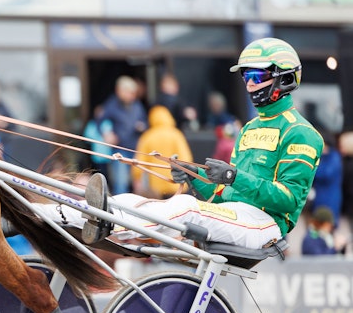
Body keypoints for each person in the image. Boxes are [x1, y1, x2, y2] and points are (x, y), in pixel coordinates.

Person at [57, 38, 323, 251]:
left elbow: (289, 200)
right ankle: (59, 215)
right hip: (235, 214)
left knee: (185, 207)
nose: (250, 84)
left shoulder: (301, 133)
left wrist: (233, 176)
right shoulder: (249, 129)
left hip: (266, 225)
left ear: (285, 78)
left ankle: (111, 226)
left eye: (257, 75)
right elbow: (224, 195)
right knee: (133, 200)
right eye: (246, 76)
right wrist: (194, 178)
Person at [131, 106, 193, 199]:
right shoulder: (177, 135)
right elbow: (186, 159)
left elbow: (139, 162)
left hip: (156, 187)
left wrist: (137, 179)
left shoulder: (148, 136)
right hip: (177, 185)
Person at [98, 75, 147, 195]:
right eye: (129, 92)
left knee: (139, 183)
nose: (132, 95)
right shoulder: (112, 104)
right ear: (120, 91)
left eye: (133, 93)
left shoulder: (137, 105)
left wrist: (142, 126)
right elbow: (99, 121)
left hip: (136, 148)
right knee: (121, 183)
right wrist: (106, 134)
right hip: (120, 150)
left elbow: (145, 121)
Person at [309, 133, 342, 222]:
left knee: (328, 221)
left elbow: (326, 174)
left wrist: (311, 170)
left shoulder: (334, 157)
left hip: (330, 197)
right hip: (319, 196)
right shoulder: (323, 156)